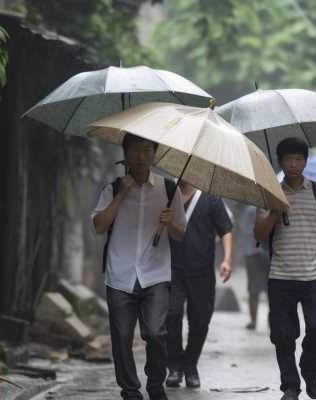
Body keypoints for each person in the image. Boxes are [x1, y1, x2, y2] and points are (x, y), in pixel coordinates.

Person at [92, 134, 186, 400]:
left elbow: (180, 235)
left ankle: (155, 383)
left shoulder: (169, 190)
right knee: (121, 337)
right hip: (119, 275)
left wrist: (170, 223)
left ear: (154, 154)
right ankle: (130, 391)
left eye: (147, 150)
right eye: (135, 151)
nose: (141, 156)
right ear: (126, 154)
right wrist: (122, 195)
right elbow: (99, 226)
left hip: (156, 275)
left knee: (155, 333)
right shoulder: (112, 188)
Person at [254, 137, 316, 400]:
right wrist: (274, 210)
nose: (293, 164)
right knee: (283, 335)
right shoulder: (269, 193)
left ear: (305, 161)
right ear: (280, 162)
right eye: (288, 159)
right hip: (280, 276)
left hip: (314, 275)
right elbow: (259, 233)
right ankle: (290, 386)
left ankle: (309, 367)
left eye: (298, 159)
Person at [165, 180, 233, 388]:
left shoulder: (211, 197)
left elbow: (225, 230)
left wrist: (227, 259)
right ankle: (175, 366)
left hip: (202, 270)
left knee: (200, 320)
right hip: (170, 268)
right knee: (171, 313)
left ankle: (190, 364)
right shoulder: (167, 194)